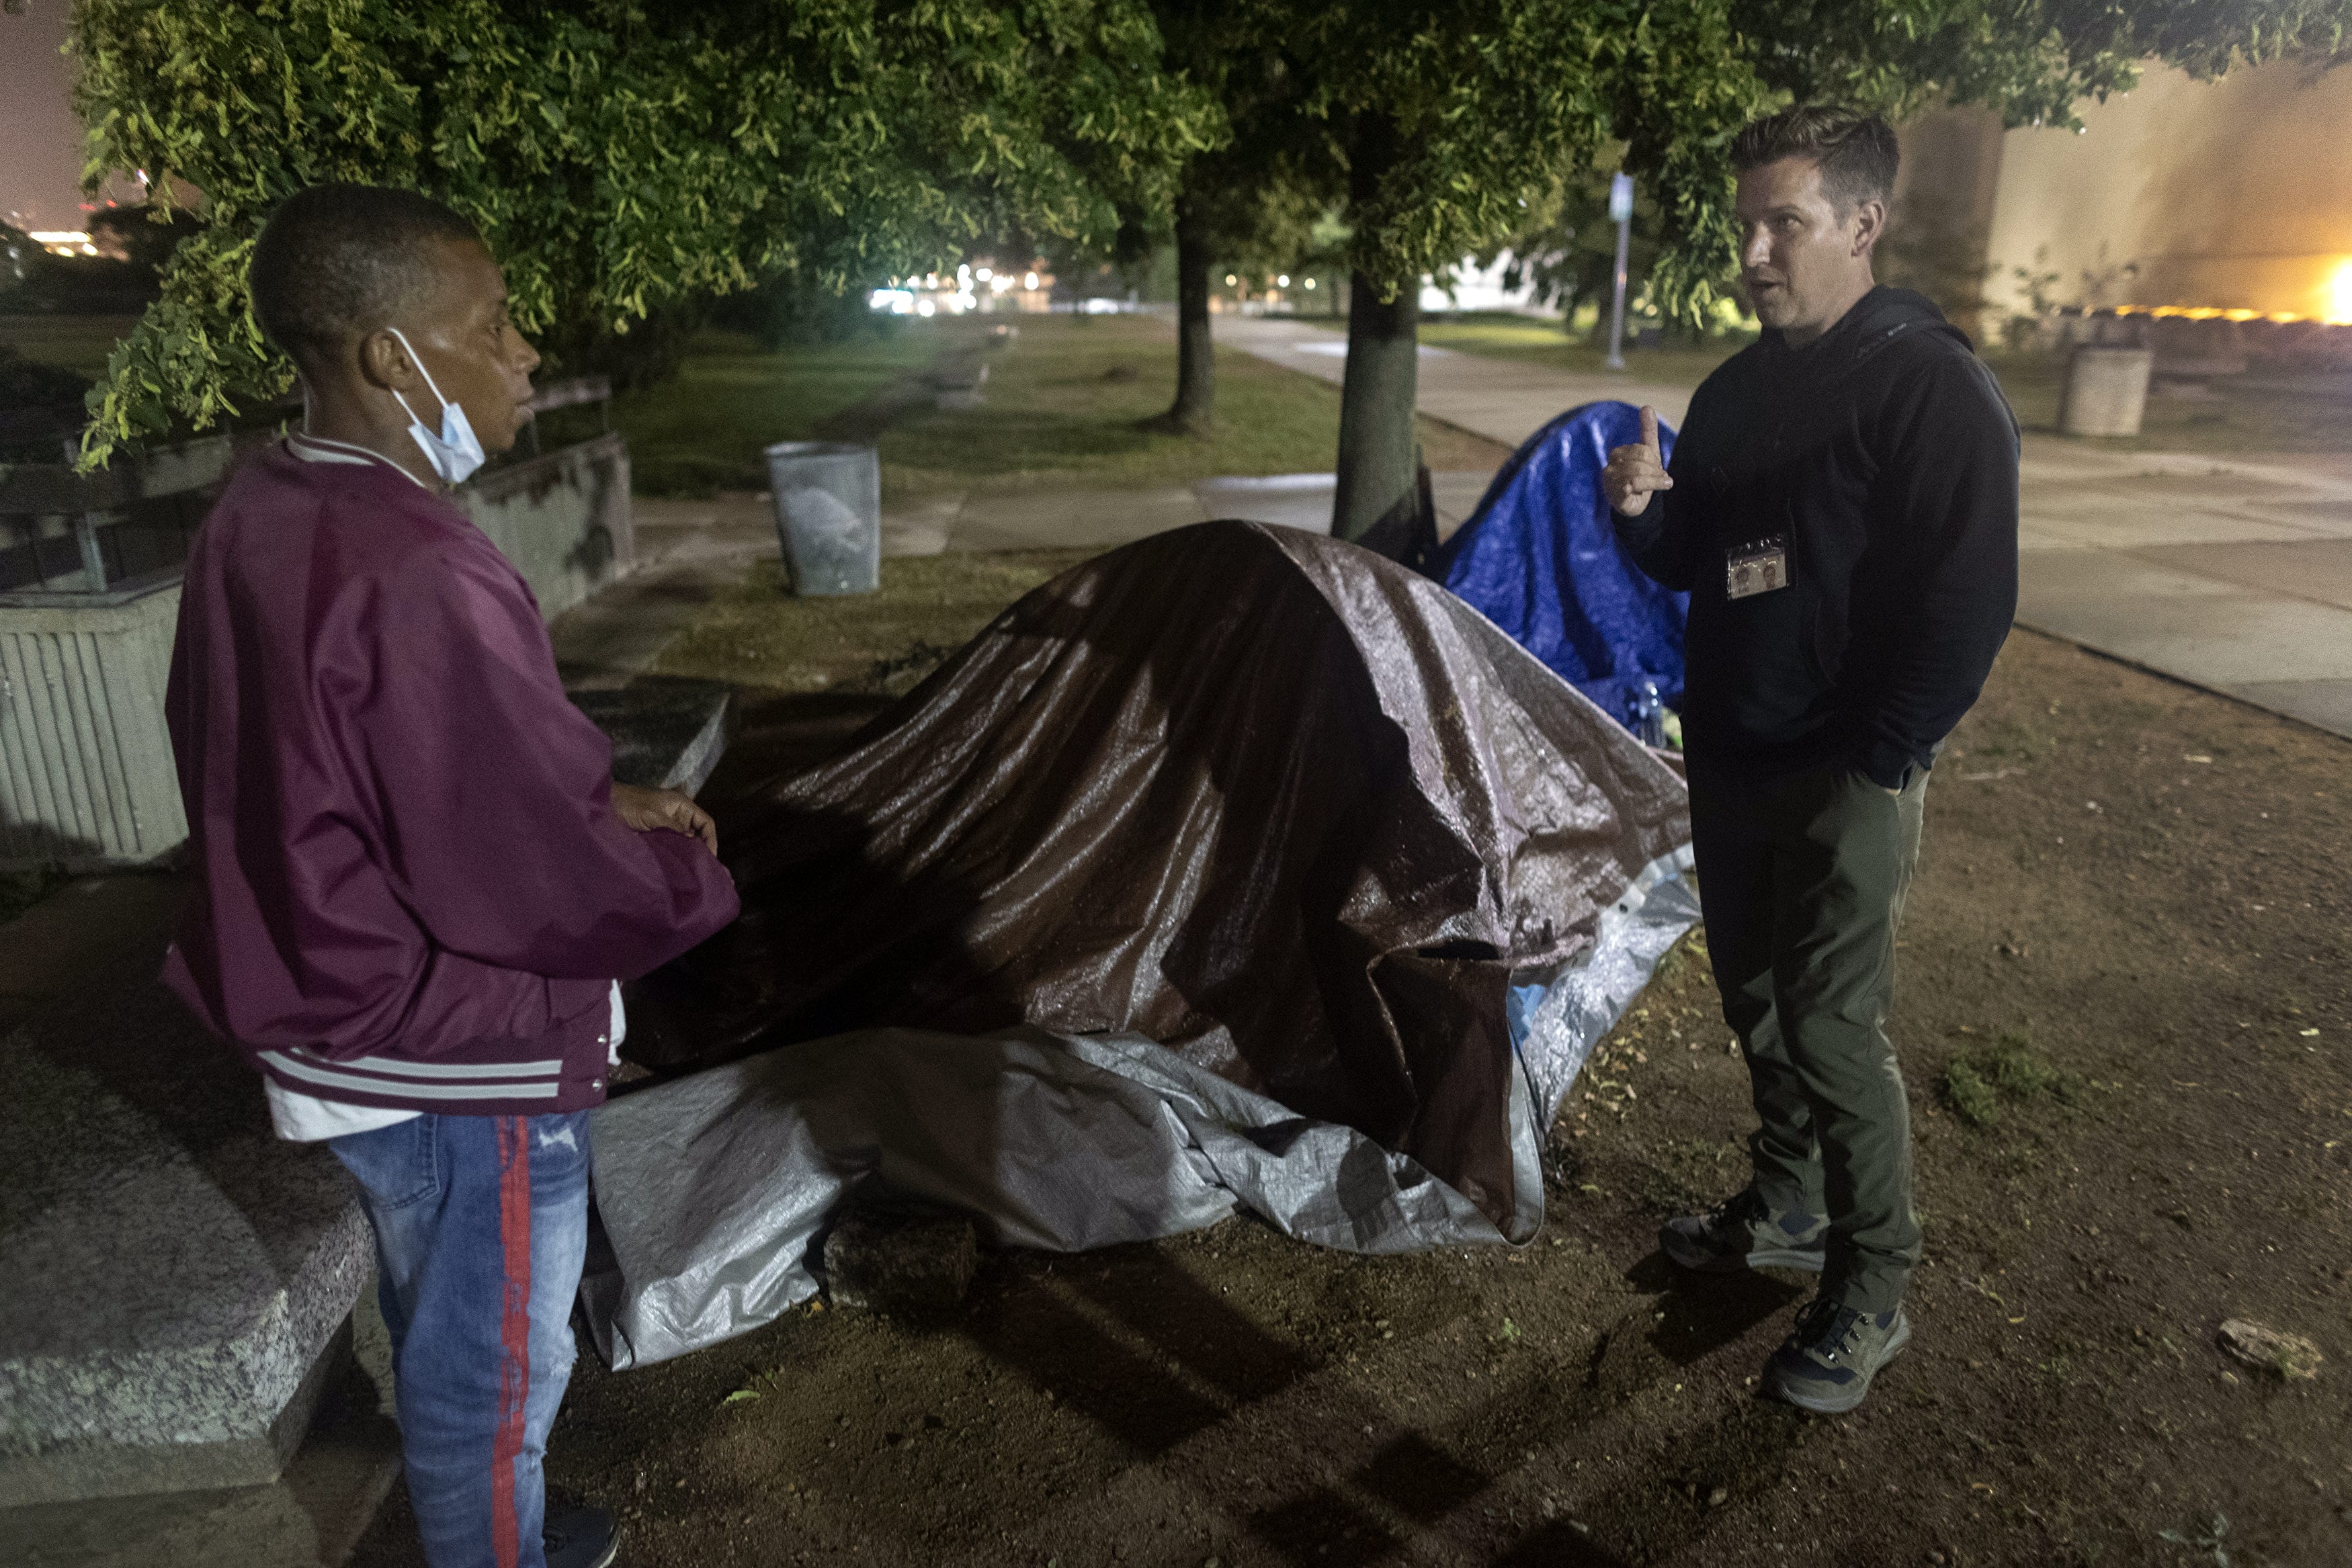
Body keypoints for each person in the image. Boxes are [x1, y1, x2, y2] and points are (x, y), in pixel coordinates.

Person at [161, 183, 741, 1567]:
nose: (526, 352)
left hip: (340, 1006)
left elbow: (344, 757)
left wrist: (592, 791)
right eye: (489, 324)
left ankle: (506, 1525)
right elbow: (528, 882)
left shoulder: (268, 507)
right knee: (490, 1374)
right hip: (449, 1052)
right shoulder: (421, 566)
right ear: (385, 353)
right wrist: (685, 888)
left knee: (448, 1319)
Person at [1602, 106, 2019, 1413]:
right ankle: (1782, 1208)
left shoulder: (1925, 384)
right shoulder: (1732, 393)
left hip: (1848, 769)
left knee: (1833, 1027)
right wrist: (1643, 520)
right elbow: (1704, 568)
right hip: (1732, 753)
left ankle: (1873, 1283)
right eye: (1744, 226)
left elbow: (1967, 599)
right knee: (1756, 1006)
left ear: (1860, 223)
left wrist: (1883, 757)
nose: (1755, 251)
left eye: (1782, 222)